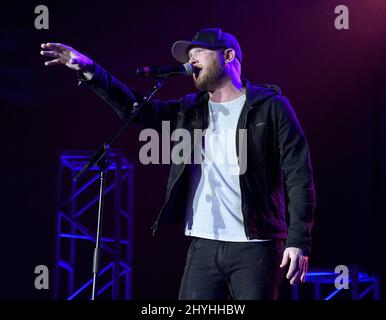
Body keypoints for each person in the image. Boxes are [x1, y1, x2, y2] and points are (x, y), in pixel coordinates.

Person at [41, 28, 316, 300]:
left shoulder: (272, 107)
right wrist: (91, 70)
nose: (191, 60)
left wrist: (298, 240)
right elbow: (137, 109)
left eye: (199, 52)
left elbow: (298, 175)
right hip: (203, 244)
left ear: (228, 55)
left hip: (257, 246)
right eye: (189, 55)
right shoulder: (190, 109)